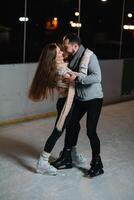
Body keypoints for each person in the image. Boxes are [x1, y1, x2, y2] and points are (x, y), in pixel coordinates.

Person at [28, 43, 89, 175]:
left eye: (61, 51)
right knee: (58, 131)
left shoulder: (59, 67)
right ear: (53, 58)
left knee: (74, 127)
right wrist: (87, 56)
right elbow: (78, 76)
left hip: (68, 102)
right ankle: (43, 162)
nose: (62, 53)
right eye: (59, 53)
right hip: (66, 104)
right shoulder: (61, 70)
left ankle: (72, 152)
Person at [51, 33, 104, 178]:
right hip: (79, 99)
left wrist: (77, 78)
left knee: (91, 131)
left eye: (66, 46)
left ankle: (97, 164)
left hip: (94, 99)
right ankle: (67, 157)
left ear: (75, 46)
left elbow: (97, 77)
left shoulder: (90, 56)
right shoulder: (72, 57)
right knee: (71, 124)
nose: (64, 48)